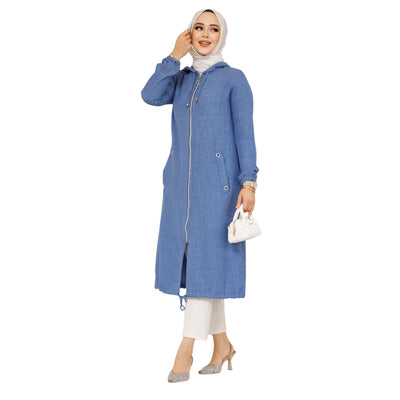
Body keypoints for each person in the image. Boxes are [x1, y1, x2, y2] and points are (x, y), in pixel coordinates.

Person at [141, 8, 259, 383]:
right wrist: (173, 56)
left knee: (203, 268)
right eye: (198, 28)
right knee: (204, 267)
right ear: (189, 33)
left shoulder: (234, 80)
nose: (206, 35)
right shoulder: (180, 79)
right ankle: (222, 344)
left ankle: (186, 349)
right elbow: (149, 95)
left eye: (213, 29)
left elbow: (245, 134)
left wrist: (249, 182)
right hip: (180, 189)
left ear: (222, 35)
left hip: (219, 193)